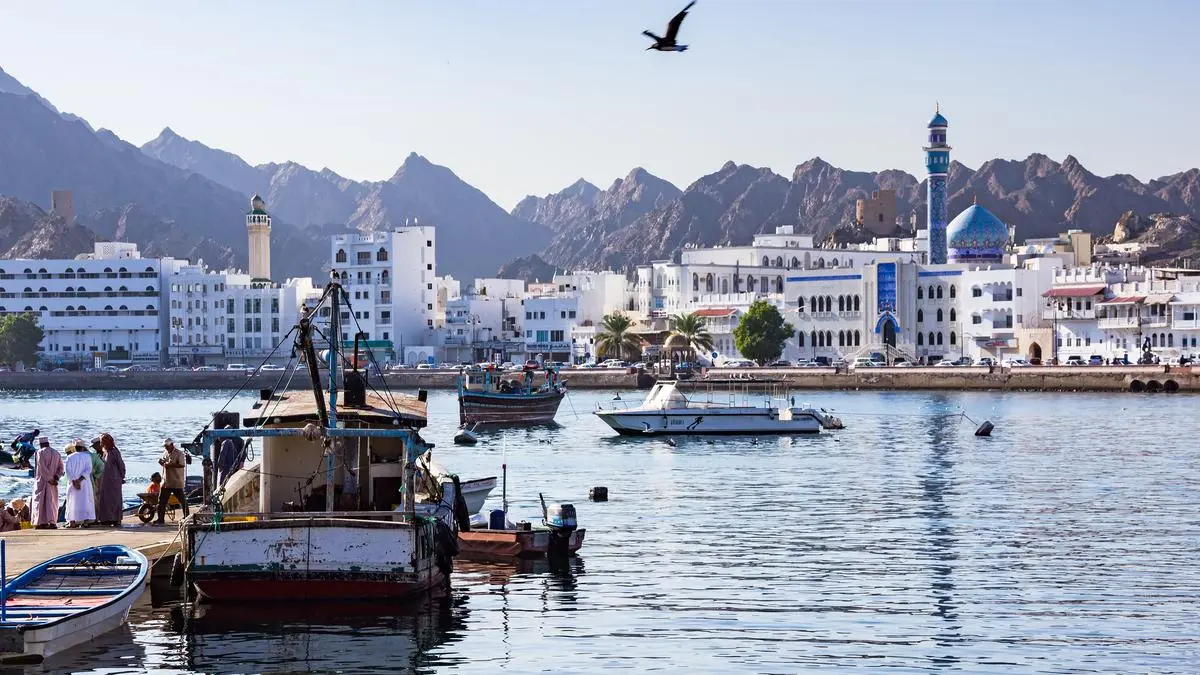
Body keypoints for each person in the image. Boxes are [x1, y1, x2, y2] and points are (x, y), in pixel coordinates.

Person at [31, 436, 63, 529]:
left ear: (40, 444)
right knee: (51, 502)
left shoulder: (40, 452)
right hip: (53, 482)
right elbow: (61, 468)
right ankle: (52, 522)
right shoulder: (56, 453)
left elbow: (41, 467)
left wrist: (49, 479)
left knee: (39, 502)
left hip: (42, 480)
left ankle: (41, 522)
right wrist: (56, 477)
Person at [95, 433, 126, 527]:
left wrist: (122, 476)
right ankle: (106, 519)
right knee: (105, 499)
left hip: (114, 480)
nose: (101, 443)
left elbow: (121, 465)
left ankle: (116, 519)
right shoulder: (105, 452)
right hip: (105, 480)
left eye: (102, 441)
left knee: (115, 499)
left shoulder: (115, 452)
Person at [155, 438, 189, 525]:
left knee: (182, 500)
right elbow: (164, 463)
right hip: (166, 482)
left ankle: (187, 516)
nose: (166, 448)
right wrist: (161, 462)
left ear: (172, 445)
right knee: (161, 502)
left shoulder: (179, 453)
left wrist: (170, 465)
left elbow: (182, 465)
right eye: (165, 446)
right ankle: (160, 519)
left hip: (176, 481)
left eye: (167, 446)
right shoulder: (165, 453)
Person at [64, 441, 96, 528]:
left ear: (74, 448)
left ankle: (72, 522)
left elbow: (68, 471)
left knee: (72, 501)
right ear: (82, 448)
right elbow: (88, 469)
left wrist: (74, 481)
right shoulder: (87, 456)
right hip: (84, 482)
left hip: (72, 483)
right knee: (85, 501)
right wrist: (79, 480)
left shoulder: (70, 457)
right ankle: (85, 522)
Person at [87, 437, 104, 506]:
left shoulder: (106, 453)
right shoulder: (96, 454)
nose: (94, 448)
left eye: (94, 446)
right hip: (97, 478)